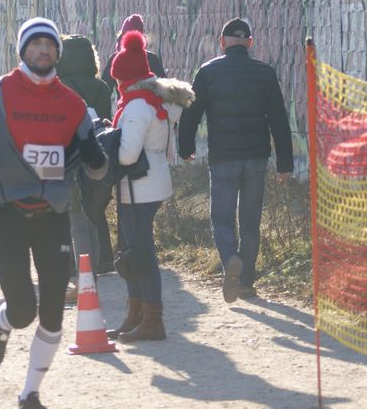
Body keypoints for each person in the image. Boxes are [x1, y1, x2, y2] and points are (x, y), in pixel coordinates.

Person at [0, 17, 107, 409]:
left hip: (53, 216)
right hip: (7, 216)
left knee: (53, 311)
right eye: (35, 44)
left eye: (49, 45)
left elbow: (99, 170)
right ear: (22, 51)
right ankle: (2, 321)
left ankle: (30, 395)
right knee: (23, 310)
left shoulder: (72, 104)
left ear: (57, 53)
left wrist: (94, 157)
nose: (43, 51)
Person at [178, 17, 293, 303]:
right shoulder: (265, 73)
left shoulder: (208, 72)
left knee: (222, 220)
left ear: (222, 42)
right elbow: (279, 120)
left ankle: (230, 258)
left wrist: (185, 148)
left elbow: (191, 114)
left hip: (223, 158)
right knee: (250, 223)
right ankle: (246, 284)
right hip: (256, 159)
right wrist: (285, 164)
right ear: (250, 43)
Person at [105, 31, 193, 342]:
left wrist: (106, 146)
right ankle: (137, 315)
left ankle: (151, 319)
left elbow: (127, 155)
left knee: (139, 252)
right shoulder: (158, 101)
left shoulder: (136, 107)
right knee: (134, 249)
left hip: (138, 185)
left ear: (126, 79)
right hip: (153, 179)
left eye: (119, 79)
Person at [57, 34, 115, 278]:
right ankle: (105, 259)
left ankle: (73, 263)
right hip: (96, 151)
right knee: (95, 206)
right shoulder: (101, 87)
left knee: (70, 210)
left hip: (69, 153)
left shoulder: (60, 86)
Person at [101, 14, 166, 97]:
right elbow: (164, 88)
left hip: (125, 104)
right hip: (148, 103)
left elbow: (104, 91)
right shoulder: (151, 58)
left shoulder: (116, 59)